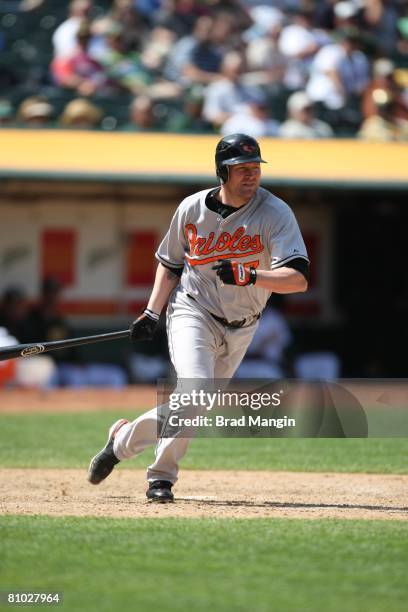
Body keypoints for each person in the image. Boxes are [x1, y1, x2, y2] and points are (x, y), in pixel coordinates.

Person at [88, 133, 309, 503]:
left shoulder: (275, 213)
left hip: (243, 323)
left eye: (255, 168)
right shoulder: (192, 208)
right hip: (194, 310)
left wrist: (249, 274)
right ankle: (161, 477)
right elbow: (171, 264)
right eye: (242, 168)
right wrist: (150, 312)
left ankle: (122, 442)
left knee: (193, 404)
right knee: (193, 391)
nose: (251, 175)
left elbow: (298, 280)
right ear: (222, 171)